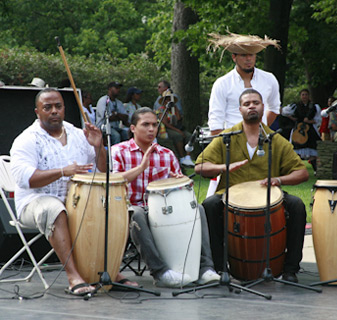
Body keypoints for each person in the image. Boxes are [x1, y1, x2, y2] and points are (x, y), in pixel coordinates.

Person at [9, 88, 136, 296]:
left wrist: (98, 147)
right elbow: (26, 179)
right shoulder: (26, 140)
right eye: (47, 107)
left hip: (76, 200)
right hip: (36, 200)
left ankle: (109, 270)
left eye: (58, 106)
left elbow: (101, 172)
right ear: (37, 111)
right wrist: (62, 172)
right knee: (56, 209)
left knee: (109, 206)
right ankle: (73, 275)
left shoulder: (79, 134)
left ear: (64, 109)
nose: (54, 111)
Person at [195, 89, 309, 283]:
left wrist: (279, 180)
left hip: (268, 196)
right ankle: (218, 268)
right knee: (209, 205)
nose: (251, 106)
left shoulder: (276, 140)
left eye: (255, 102)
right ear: (240, 109)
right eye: (247, 104)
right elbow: (200, 166)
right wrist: (224, 167)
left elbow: (303, 172)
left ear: (263, 107)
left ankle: (290, 269)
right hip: (229, 195)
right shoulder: (227, 137)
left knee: (296, 205)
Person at [111, 107, 220, 287]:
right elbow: (114, 182)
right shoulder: (118, 151)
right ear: (132, 128)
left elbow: (180, 189)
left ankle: (204, 268)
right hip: (131, 207)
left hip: (163, 210)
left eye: (154, 125)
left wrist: (181, 181)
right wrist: (141, 167)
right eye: (145, 125)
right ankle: (160, 273)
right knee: (137, 213)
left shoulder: (167, 154)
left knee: (199, 209)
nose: (151, 129)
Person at [207, 33, 281, 136]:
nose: (248, 59)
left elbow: (274, 108)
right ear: (234, 57)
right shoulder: (222, 84)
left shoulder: (269, 79)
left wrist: (259, 129)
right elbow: (215, 121)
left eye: (251, 55)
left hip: (261, 141)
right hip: (232, 142)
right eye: (243, 55)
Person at [285, 89, 322, 172]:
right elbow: (285, 113)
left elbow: (318, 120)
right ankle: (296, 169)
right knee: (296, 149)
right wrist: (294, 119)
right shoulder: (296, 106)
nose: (304, 96)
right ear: (300, 96)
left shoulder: (314, 106)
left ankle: (316, 170)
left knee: (312, 150)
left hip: (310, 130)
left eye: (306, 94)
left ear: (308, 96)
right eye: (303, 95)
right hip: (298, 130)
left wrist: (309, 121)